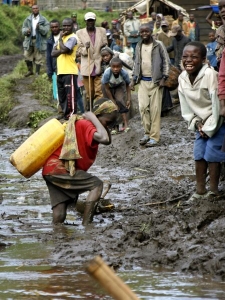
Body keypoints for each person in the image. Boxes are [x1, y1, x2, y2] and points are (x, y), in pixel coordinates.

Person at [42, 98, 118, 225]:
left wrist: (103, 123)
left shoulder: (89, 125)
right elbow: (104, 138)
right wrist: (93, 117)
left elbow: (107, 140)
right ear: (97, 116)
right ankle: (87, 225)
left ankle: (57, 238)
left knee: (60, 213)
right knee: (97, 185)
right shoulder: (86, 124)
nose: (107, 127)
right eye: (107, 122)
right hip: (59, 169)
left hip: (50, 170)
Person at [179, 41, 225, 202]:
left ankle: (213, 190)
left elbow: (217, 105)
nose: (189, 60)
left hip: (217, 121)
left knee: (212, 155)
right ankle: (199, 190)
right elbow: (186, 107)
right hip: (200, 123)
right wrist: (197, 123)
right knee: (199, 154)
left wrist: (209, 127)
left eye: (194, 57)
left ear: (204, 60)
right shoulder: (182, 78)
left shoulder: (210, 75)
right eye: (185, 57)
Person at [130, 23, 170, 147]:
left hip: (156, 82)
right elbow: (136, 63)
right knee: (143, 108)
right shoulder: (138, 45)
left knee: (155, 110)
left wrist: (164, 77)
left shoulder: (158, 45)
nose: (144, 34)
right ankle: (147, 133)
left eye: (146, 31)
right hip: (142, 81)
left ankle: (154, 137)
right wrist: (133, 79)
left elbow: (166, 62)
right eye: (142, 32)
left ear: (151, 31)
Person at [76, 12, 108, 110]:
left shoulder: (102, 30)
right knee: (89, 93)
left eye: (92, 20)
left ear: (94, 21)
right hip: (87, 66)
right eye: (88, 20)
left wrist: (103, 52)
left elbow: (105, 44)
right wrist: (85, 48)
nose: (90, 22)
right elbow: (79, 50)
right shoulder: (79, 33)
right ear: (85, 21)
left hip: (99, 65)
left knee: (99, 92)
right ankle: (88, 111)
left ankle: (99, 111)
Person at [51, 18, 79, 120]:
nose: (66, 28)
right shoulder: (62, 39)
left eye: (68, 26)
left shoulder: (73, 38)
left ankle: (71, 116)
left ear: (73, 26)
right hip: (60, 71)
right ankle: (64, 114)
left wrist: (60, 42)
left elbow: (66, 50)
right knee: (62, 96)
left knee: (70, 96)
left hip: (70, 71)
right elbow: (53, 53)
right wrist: (62, 49)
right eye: (64, 26)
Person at [101, 57, 131, 133]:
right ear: (110, 66)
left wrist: (128, 99)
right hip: (107, 87)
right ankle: (114, 126)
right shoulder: (107, 73)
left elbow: (128, 85)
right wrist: (113, 101)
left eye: (118, 67)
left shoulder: (124, 73)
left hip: (119, 86)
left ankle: (126, 124)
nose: (115, 69)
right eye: (113, 67)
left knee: (120, 101)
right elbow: (107, 89)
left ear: (121, 67)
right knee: (111, 105)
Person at [22, 5, 49, 77]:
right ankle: (30, 71)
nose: (35, 10)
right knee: (26, 55)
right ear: (32, 10)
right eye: (33, 8)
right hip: (29, 40)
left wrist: (40, 28)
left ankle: (37, 72)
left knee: (38, 56)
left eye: (36, 8)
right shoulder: (28, 19)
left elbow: (46, 30)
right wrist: (26, 31)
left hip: (39, 40)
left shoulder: (43, 19)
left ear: (39, 9)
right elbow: (23, 28)